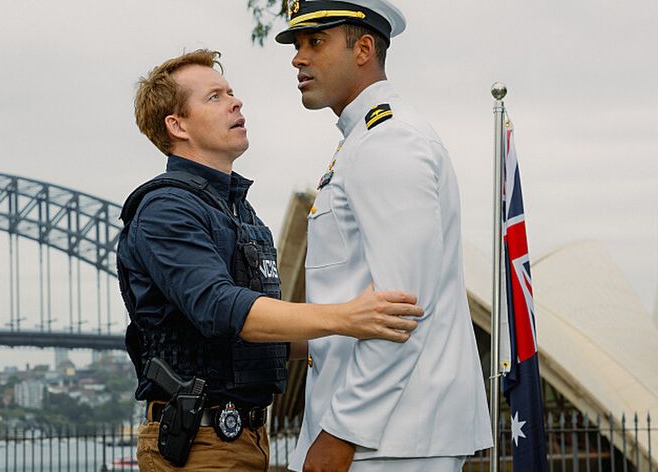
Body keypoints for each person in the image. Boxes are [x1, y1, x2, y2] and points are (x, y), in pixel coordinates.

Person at [117, 49, 424, 471]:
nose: (235, 102)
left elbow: (259, 337)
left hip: (244, 438)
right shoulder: (166, 210)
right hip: (199, 445)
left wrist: (364, 329)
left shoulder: (237, 211)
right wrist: (345, 317)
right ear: (177, 125)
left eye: (231, 92)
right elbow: (221, 308)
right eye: (214, 97)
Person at [274, 1, 493, 471]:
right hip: (385, 432)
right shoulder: (363, 140)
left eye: (315, 42)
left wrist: (341, 431)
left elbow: (402, 306)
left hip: (390, 438)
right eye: (296, 45)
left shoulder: (388, 140)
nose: (298, 57)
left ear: (364, 49)